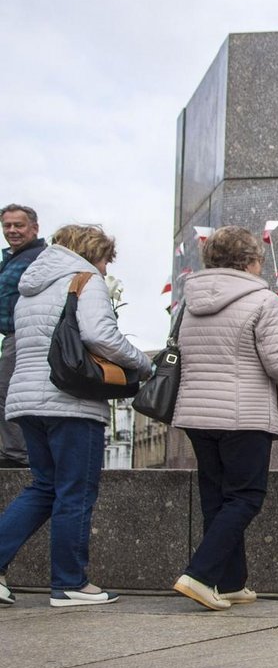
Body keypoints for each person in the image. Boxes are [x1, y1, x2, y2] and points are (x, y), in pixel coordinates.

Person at [170, 227, 278, 611]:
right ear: (250, 261)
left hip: (196, 414)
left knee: (217, 499)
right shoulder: (263, 299)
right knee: (245, 496)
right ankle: (199, 575)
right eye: (258, 258)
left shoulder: (189, 301)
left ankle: (229, 582)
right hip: (244, 415)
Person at [0, 224, 153, 607]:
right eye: (105, 259)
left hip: (27, 400)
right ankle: (70, 583)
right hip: (70, 402)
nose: (105, 268)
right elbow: (100, 336)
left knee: (44, 487)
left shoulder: (31, 286)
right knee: (75, 492)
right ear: (91, 252)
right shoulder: (84, 279)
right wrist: (142, 364)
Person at [1, 204, 46, 469]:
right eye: (7, 225)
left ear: (34, 228)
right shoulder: (13, 258)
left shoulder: (38, 257)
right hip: (12, 334)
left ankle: (16, 454)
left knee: (7, 391)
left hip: (25, 334)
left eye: (18, 225)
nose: (12, 230)